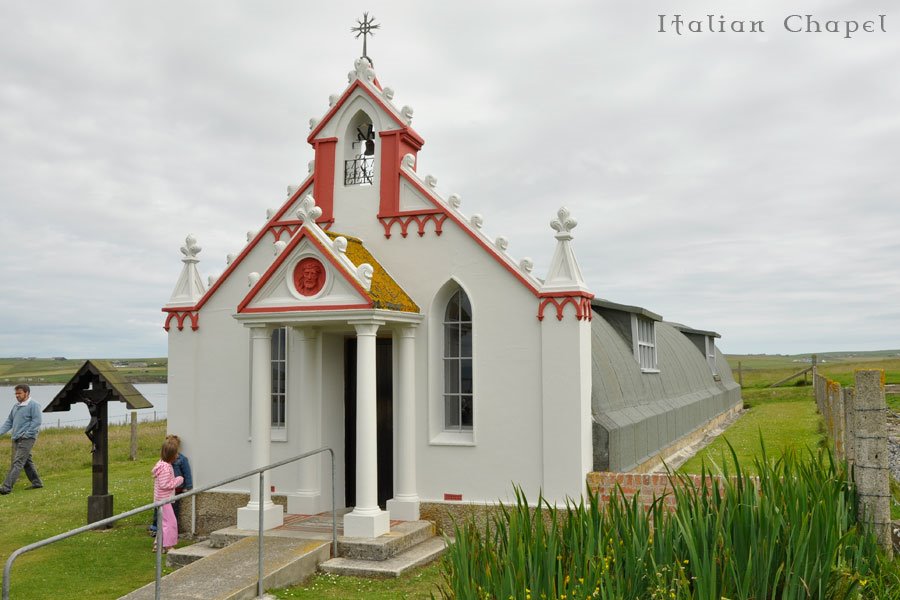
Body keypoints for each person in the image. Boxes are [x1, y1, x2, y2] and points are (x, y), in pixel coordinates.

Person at [0, 384, 43, 495]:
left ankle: (6, 487)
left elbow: (37, 422)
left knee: (17, 462)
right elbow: (9, 422)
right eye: (16, 393)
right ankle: (37, 482)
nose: (17, 395)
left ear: (27, 393)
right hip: (16, 438)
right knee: (26, 462)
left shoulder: (34, 405)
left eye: (19, 393)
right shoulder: (16, 406)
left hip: (27, 439)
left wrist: (27, 434)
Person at [149, 434, 193, 536]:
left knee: (172, 512)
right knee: (162, 514)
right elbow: (164, 483)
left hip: (174, 492)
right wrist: (178, 480)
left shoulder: (181, 459)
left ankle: (167, 533)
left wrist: (188, 486)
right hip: (166, 495)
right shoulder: (164, 465)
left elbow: (187, 473)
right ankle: (159, 530)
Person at [151, 439, 183, 553]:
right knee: (171, 523)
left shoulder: (162, 464)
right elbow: (164, 484)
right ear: (172, 455)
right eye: (176, 453)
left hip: (161, 499)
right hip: (164, 500)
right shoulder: (166, 468)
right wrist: (178, 480)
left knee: (163, 522)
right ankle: (168, 546)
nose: (177, 455)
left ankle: (158, 545)